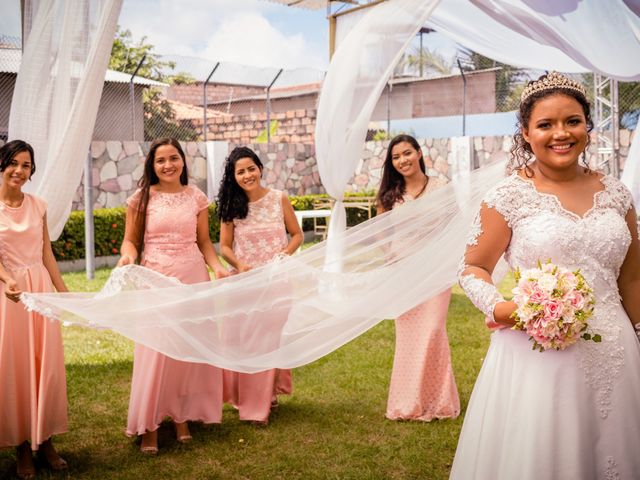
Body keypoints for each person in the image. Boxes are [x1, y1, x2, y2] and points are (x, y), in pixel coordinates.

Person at [453, 72, 640, 479]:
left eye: (572, 121)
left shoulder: (617, 195)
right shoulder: (508, 196)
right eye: (546, 124)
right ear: (525, 133)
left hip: (617, 349)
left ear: (588, 128)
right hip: (540, 355)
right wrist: (505, 309)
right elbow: (473, 268)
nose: (562, 133)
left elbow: (631, 279)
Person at [118, 137, 229, 454]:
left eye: (173, 158)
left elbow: (205, 242)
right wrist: (128, 257)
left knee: (184, 350)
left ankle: (182, 417)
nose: (168, 165)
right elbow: (130, 241)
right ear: (152, 166)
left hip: (193, 277)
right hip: (155, 278)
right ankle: (150, 426)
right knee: (156, 351)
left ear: (183, 161)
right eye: (161, 160)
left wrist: (217, 268)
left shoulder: (196, 197)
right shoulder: (141, 198)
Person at [376, 134, 460, 421]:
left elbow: (455, 226)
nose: (402, 160)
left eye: (407, 153)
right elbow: (381, 233)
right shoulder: (391, 196)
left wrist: (446, 261)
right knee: (409, 338)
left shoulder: (441, 187)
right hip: (404, 275)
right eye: (396, 157)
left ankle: (439, 402)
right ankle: (408, 402)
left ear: (419, 153)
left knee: (434, 331)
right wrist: (391, 257)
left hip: (436, 274)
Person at [217, 146, 303, 425]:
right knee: (247, 342)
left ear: (260, 169)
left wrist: (284, 255)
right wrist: (240, 265)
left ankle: (261, 402)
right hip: (245, 283)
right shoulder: (231, 207)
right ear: (233, 177)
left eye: (251, 168)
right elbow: (225, 247)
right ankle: (255, 399)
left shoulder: (279, 199)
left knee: (269, 339)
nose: (247, 175)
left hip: (277, 280)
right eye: (240, 172)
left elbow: (297, 235)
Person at [0, 140, 69, 479]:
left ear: (32, 171)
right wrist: (6, 280)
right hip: (9, 296)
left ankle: (47, 439)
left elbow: (46, 255)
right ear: (2, 165)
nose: (19, 170)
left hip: (39, 289)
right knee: (17, 369)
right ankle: (22, 447)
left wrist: (62, 292)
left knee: (46, 367)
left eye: (26, 165)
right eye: (13, 163)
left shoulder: (39, 205)